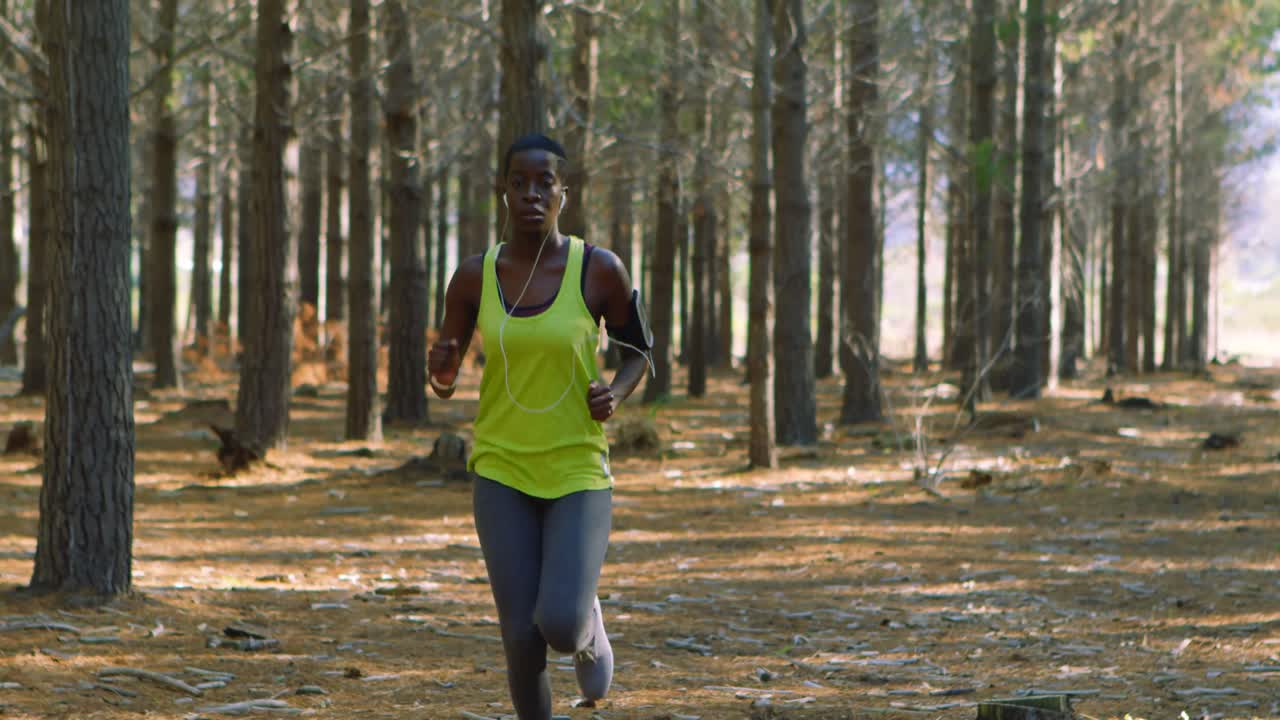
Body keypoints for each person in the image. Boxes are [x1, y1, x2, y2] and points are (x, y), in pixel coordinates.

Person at [428, 133, 652, 720]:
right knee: (521, 640)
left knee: (557, 622)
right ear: (502, 191)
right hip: (501, 468)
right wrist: (443, 370)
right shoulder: (473, 278)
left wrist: (616, 394)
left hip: (576, 466)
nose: (531, 194)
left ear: (563, 194)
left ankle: (585, 621)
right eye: (519, 183)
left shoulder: (598, 269)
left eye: (544, 183)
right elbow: (445, 379)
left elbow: (638, 353)